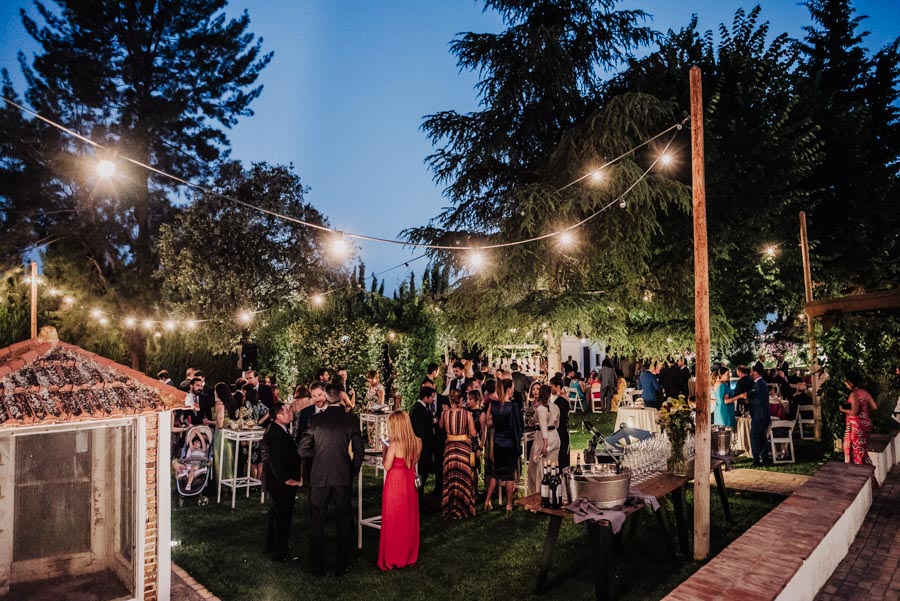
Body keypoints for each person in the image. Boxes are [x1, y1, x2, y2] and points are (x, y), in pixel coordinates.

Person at [298, 385, 364, 576]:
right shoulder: (351, 418)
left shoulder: (316, 419)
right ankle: (341, 564)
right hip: (342, 474)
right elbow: (359, 451)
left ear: (327, 397)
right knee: (343, 518)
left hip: (319, 475)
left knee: (318, 518)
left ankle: (317, 564)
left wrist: (317, 455)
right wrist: (352, 470)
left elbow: (302, 449)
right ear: (341, 398)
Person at [377, 410, 422, 570]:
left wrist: (384, 450)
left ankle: (394, 554)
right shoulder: (416, 442)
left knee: (394, 517)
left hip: (396, 483)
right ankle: (408, 553)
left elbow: (387, 465)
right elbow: (414, 461)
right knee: (408, 517)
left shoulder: (394, 444)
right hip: (409, 481)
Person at [262, 403, 302, 562]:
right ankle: (280, 552)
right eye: (286, 411)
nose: (289, 412)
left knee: (275, 514)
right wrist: (287, 480)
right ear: (279, 416)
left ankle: (272, 545)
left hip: (278, 481)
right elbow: (275, 459)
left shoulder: (278, 430)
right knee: (283, 516)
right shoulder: (275, 434)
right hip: (280, 483)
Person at [483, 378, 522, 514]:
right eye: (511, 388)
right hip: (510, 443)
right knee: (510, 475)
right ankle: (509, 504)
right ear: (508, 389)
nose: (513, 391)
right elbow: (518, 426)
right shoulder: (513, 406)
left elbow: (489, 422)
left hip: (498, 442)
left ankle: (487, 500)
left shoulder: (493, 405)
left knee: (496, 472)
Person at [439, 386, 477, 519]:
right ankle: (464, 507)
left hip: (449, 448)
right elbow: (473, 433)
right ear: (460, 399)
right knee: (463, 478)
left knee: (450, 478)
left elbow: (441, 426)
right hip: (463, 449)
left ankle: (450, 507)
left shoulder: (445, 413)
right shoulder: (467, 414)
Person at [527, 385, 560, 495]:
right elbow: (557, 424)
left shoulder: (541, 409)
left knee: (538, 468)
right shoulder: (555, 407)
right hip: (555, 436)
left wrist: (545, 445)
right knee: (553, 467)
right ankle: (553, 493)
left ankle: (539, 494)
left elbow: (543, 427)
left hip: (543, 439)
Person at [409, 385, 437, 508]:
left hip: (423, 447)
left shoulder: (420, 408)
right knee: (421, 474)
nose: (432, 400)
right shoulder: (419, 410)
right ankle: (418, 501)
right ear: (426, 397)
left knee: (422, 474)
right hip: (422, 448)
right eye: (431, 397)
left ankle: (419, 500)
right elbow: (420, 431)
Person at [840, 372, 877, 466]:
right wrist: (864, 410)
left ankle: (860, 473)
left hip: (856, 426)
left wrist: (843, 409)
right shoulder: (865, 393)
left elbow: (854, 411)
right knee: (862, 450)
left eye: (846, 382)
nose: (845, 384)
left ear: (850, 383)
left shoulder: (854, 394)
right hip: (866, 424)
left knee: (857, 451)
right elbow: (874, 407)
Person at [242, 384, 269, 481]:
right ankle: (258, 480)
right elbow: (268, 411)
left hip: (248, 432)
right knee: (259, 458)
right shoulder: (258, 403)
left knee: (251, 458)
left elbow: (244, 418)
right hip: (258, 432)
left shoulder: (246, 403)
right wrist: (259, 422)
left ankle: (252, 480)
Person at [748, 365, 771, 466]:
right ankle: (764, 458)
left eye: (751, 372)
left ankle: (756, 459)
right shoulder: (760, 384)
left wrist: (749, 401)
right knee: (761, 436)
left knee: (754, 435)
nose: (750, 374)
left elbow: (759, 400)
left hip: (759, 414)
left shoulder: (760, 384)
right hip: (762, 414)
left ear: (756, 373)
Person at [549, 376, 570, 468]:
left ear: (558, 387)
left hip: (560, 430)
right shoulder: (564, 397)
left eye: (551, 387)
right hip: (564, 429)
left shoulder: (560, 400)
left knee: (561, 454)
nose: (550, 389)